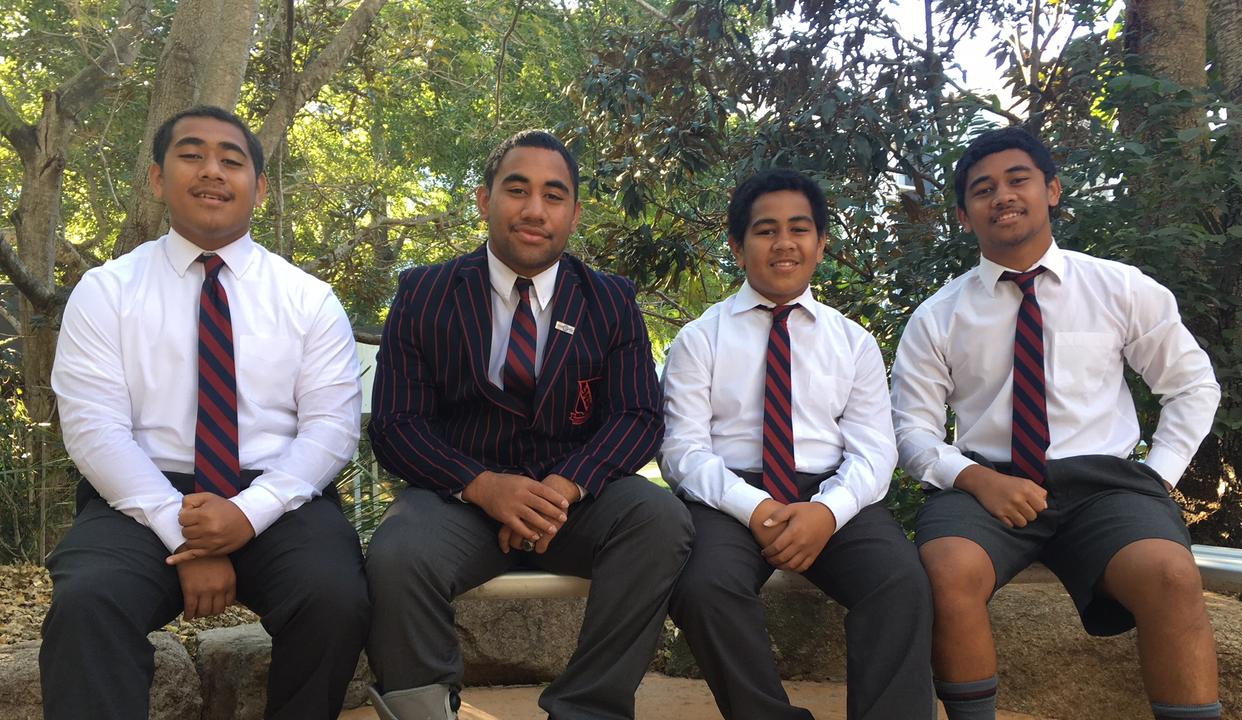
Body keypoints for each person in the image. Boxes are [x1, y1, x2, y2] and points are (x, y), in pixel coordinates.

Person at [42, 106, 370, 720]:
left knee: (335, 596)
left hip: (278, 498)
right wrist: (189, 534)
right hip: (138, 498)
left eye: (232, 159)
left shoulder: (308, 299)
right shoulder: (106, 292)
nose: (212, 171)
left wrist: (245, 516)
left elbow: (331, 429)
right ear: (158, 179)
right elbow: (94, 430)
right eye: (191, 155)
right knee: (88, 603)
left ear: (260, 187)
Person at [891, 126, 1222, 720]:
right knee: (945, 571)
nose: (1003, 196)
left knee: (1171, 576)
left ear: (1053, 190)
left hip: (1105, 487)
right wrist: (975, 479)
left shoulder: (1119, 288)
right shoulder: (938, 316)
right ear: (965, 215)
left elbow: (1192, 386)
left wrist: (1158, 476)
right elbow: (911, 431)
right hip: (986, 486)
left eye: (1018, 180)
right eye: (982, 189)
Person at [364, 129, 693, 720]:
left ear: (574, 212)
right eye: (517, 190)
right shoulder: (424, 293)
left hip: (575, 504)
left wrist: (563, 488)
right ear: (484, 200)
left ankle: (586, 710)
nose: (535, 210)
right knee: (397, 555)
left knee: (660, 519)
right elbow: (396, 423)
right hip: (457, 500)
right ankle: (424, 712)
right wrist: (486, 487)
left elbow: (638, 414)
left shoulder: (611, 300)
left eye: (554, 194)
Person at [660, 169, 933, 720]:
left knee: (900, 582)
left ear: (820, 242)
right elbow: (682, 450)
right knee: (703, 587)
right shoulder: (700, 339)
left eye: (799, 229)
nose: (784, 243)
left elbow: (875, 450)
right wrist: (754, 507)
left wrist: (826, 513)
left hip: (831, 495)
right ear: (738, 247)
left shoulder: (852, 342)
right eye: (765, 231)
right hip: (730, 497)